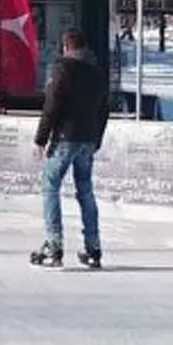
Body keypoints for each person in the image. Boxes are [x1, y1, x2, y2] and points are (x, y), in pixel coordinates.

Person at [30, 28, 110, 270]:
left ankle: (54, 244)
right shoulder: (97, 72)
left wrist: (41, 138)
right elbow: (104, 108)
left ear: (66, 47)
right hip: (87, 138)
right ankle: (93, 246)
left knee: (50, 186)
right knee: (85, 190)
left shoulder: (62, 68)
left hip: (65, 136)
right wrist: (96, 138)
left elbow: (52, 104)